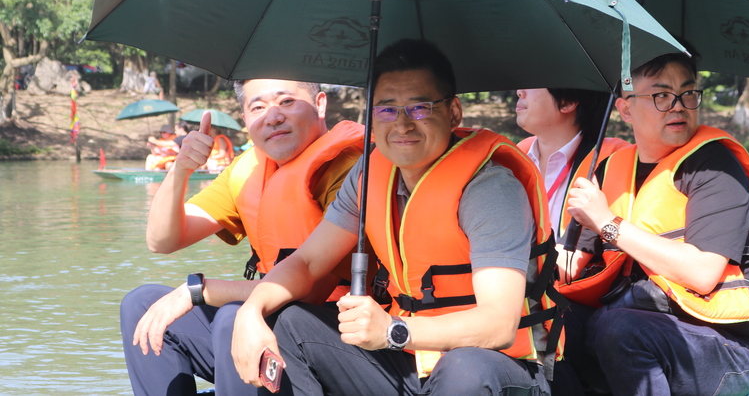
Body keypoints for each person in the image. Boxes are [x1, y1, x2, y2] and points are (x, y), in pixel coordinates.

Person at [230, 39, 562, 395]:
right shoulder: (368, 174)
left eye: (419, 108)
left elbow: (499, 325)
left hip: (502, 367)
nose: (402, 125)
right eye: (387, 110)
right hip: (412, 358)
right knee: (291, 322)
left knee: (464, 367)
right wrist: (252, 309)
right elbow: (308, 262)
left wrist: (391, 330)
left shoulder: (490, 189)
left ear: (454, 112)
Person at [558, 52, 749, 395]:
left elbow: (702, 273)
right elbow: (571, 265)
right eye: (662, 95)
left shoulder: (717, 168)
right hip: (630, 318)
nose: (679, 106)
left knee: (622, 328)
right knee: (548, 318)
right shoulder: (608, 170)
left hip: (727, 346)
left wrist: (607, 222)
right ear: (625, 109)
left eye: (688, 93)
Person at [119, 78, 365, 395]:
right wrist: (180, 169)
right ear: (246, 119)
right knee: (142, 304)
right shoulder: (247, 169)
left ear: (319, 104)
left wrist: (198, 291)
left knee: (232, 317)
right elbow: (161, 240)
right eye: (258, 107)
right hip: (268, 313)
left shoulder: (350, 170)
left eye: (286, 102)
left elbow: (311, 292)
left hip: (335, 335)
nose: (273, 116)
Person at [515, 88, 628, 243]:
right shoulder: (518, 155)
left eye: (534, 84)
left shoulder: (614, 160)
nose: (520, 92)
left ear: (567, 102)